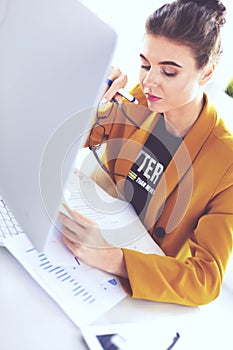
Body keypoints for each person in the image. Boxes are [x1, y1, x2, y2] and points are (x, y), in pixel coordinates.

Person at [59, 0, 233, 306]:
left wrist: (112, 258)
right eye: (145, 64)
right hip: (75, 240)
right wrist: (86, 104)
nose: (149, 81)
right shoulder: (139, 98)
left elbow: (205, 280)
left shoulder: (226, 163)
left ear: (206, 74)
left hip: (128, 287)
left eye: (168, 72)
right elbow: (72, 140)